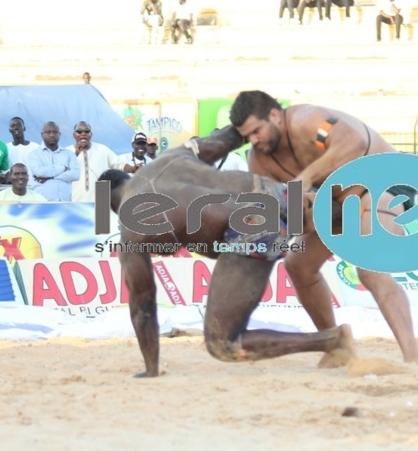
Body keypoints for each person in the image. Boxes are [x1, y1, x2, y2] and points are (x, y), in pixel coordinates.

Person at [102, 128, 356, 378]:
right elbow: (227, 137)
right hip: (270, 191)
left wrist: (151, 368)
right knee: (313, 215)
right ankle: (355, 206)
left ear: (108, 203)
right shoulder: (169, 158)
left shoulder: (129, 226)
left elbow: (142, 305)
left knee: (223, 343)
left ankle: (333, 341)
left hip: (250, 226)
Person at [229, 90, 418, 368]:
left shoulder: (307, 120)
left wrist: (304, 179)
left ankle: (413, 358)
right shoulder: (259, 161)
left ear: (274, 116)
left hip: (380, 185)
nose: (254, 140)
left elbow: (353, 143)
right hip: (333, 204)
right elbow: (278, 217)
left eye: (257, 131)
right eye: (248, 137)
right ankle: (336, 346)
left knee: (369, 267)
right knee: (297, 265)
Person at [67, 121, 122, 202]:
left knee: (102, 214)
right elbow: (60, 171)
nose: (83, 133)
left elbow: (119, 164)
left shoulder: (102, 149)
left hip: (102, 199)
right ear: (74, 135)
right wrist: (76, 153)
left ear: (91, 134)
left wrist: (133, 168)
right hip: (75, 201)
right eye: (79, 131)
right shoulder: (66, 151)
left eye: (87, 131)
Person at [29, 121, 78, 201]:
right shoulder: (34, 154)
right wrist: (63, 168)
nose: (52, 135)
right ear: (42, 135)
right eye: (48, 132)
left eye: (55, 132)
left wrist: (51, 177)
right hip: (41, 202)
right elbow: (39, 172)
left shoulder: (69, 154)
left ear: (59, 134)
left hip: (64, 202)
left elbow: (75, 175)